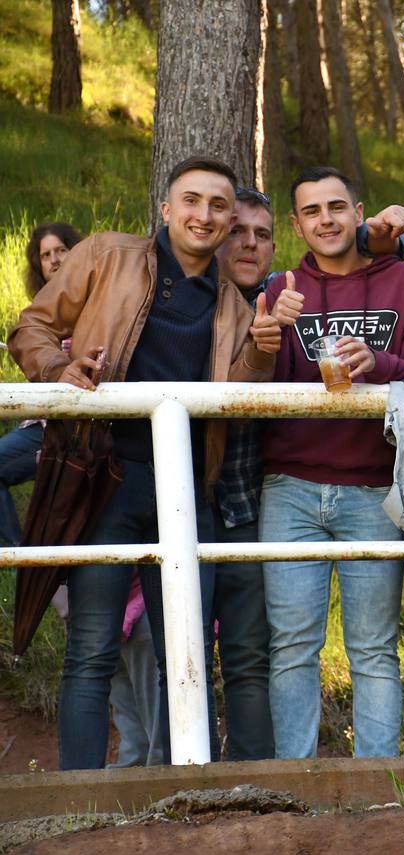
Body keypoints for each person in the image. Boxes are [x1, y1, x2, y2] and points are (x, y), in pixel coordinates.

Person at [9, 156, 282, 769]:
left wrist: (262, 353)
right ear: (166, 208)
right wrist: (59, 369)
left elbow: (236, 402)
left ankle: (182, 788)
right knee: (91, 646)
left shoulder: (236, 307)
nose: (204, 215)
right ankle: (78, 797)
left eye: (218, 206)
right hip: (102, 482)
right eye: (192, 200)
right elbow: (31, 327)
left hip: (188, 492)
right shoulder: (107, 255)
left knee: (185, 649)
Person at [260, 166, 404, 759]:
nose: (325, 220)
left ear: (357, 214)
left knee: (374, 647)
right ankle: (293, 783)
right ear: (297, 224)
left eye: (336, 207)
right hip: (291, 487)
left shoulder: (402, 282)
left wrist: (379, 363)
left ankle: (378, 784)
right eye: (311, 211)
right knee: (293, 644)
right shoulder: (281, 289)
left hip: (374, 489)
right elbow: (254, 385)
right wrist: (266, 337)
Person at [210, 186, 280, 760]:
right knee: (172, 652)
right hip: (177, 504)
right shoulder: (185, 302)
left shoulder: (287, 306)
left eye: (261, 234)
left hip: (251, 509)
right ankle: (180, 779)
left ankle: (257, 784)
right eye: (238, 231)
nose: (249, 243)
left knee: (249, 653)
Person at [0, 224, 84, 548]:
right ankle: (20, 559)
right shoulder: (36, 314)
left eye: (61, 250)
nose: (54, 259)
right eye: (45, 254)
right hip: (43, 424)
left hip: (86, 424)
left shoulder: (100, 299)